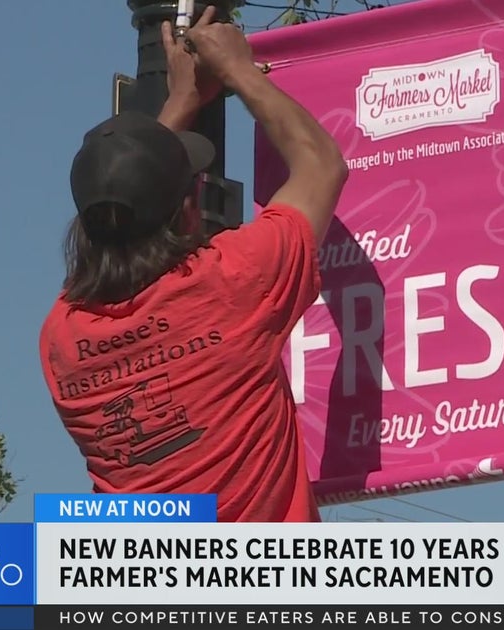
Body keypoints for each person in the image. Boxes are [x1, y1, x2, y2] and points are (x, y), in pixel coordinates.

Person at [37, 7, 348, 522]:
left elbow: (123, 211)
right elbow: (321, 163)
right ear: (186, 212)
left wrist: (179, 102)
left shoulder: (62, 341)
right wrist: (238, 68)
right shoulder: (233, 282)